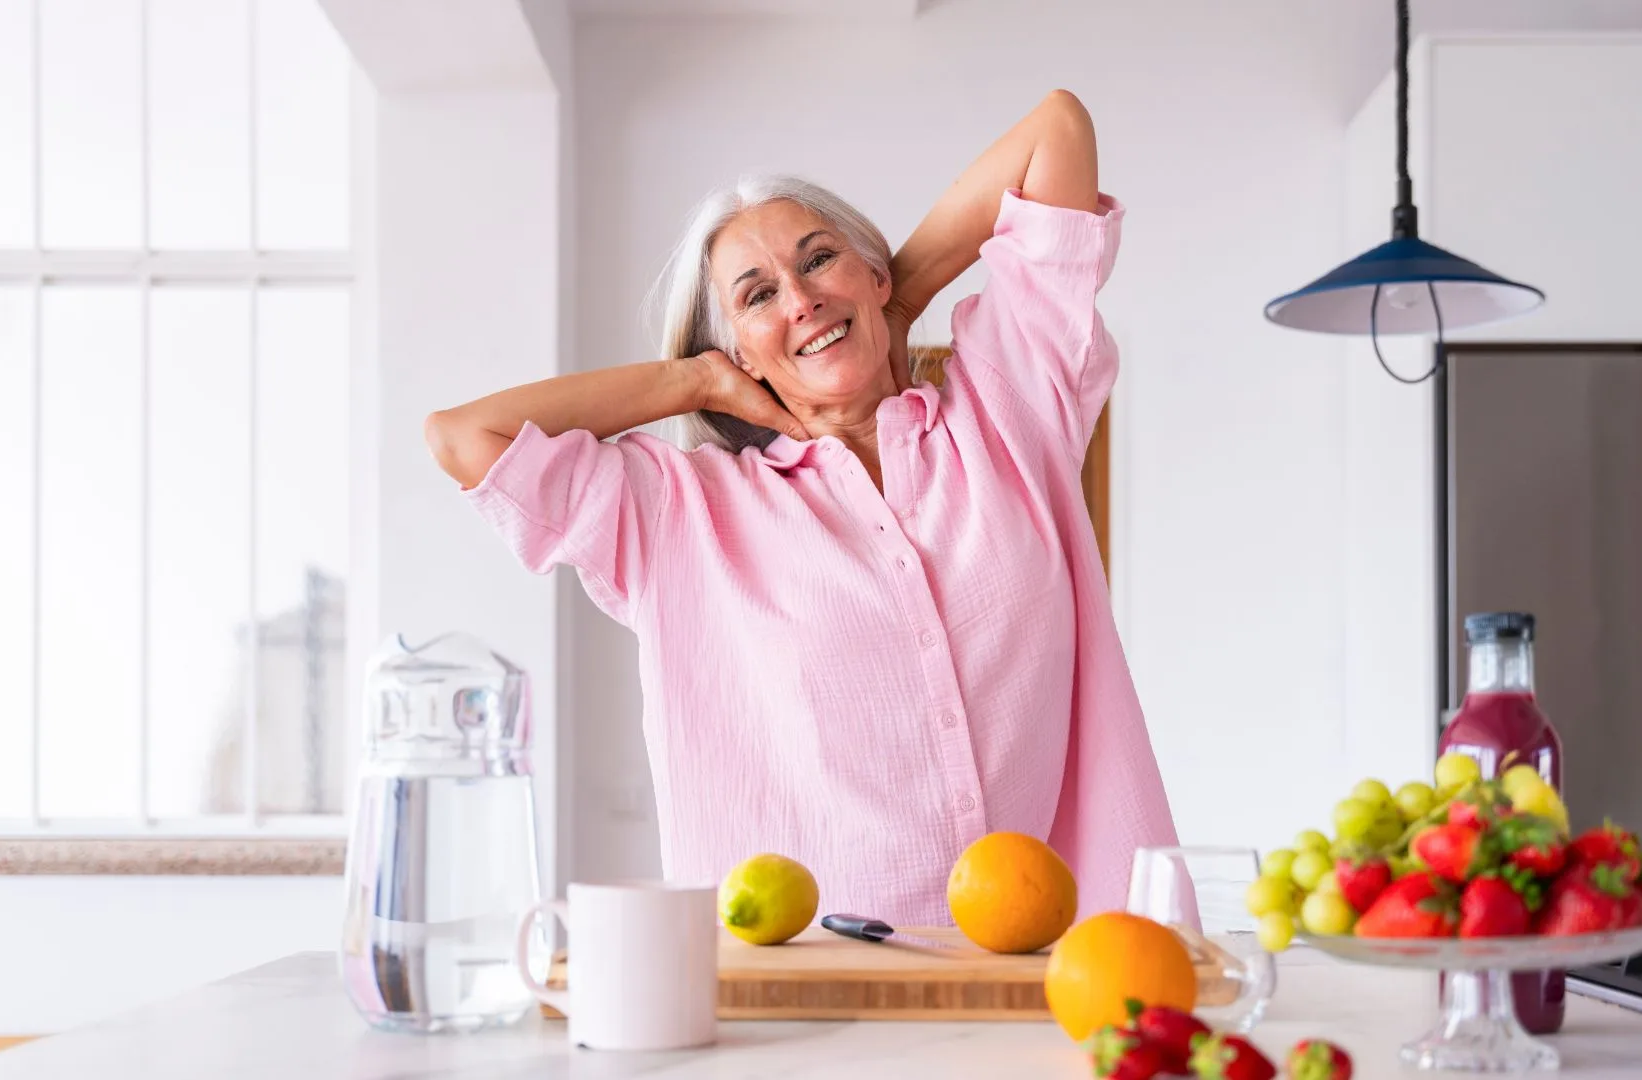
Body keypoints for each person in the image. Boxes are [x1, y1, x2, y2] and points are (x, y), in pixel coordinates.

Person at [425, 89, 1176, 925]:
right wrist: (693, 380)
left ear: (871, 270)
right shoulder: (685, 518)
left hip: (1057, 969)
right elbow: (464, 436)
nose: (799, 298)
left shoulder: (1010, 411)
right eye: (756, 296)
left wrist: (897, 300)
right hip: (807, 998)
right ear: (735, 349)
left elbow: (1057, 130)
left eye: (819, 260)